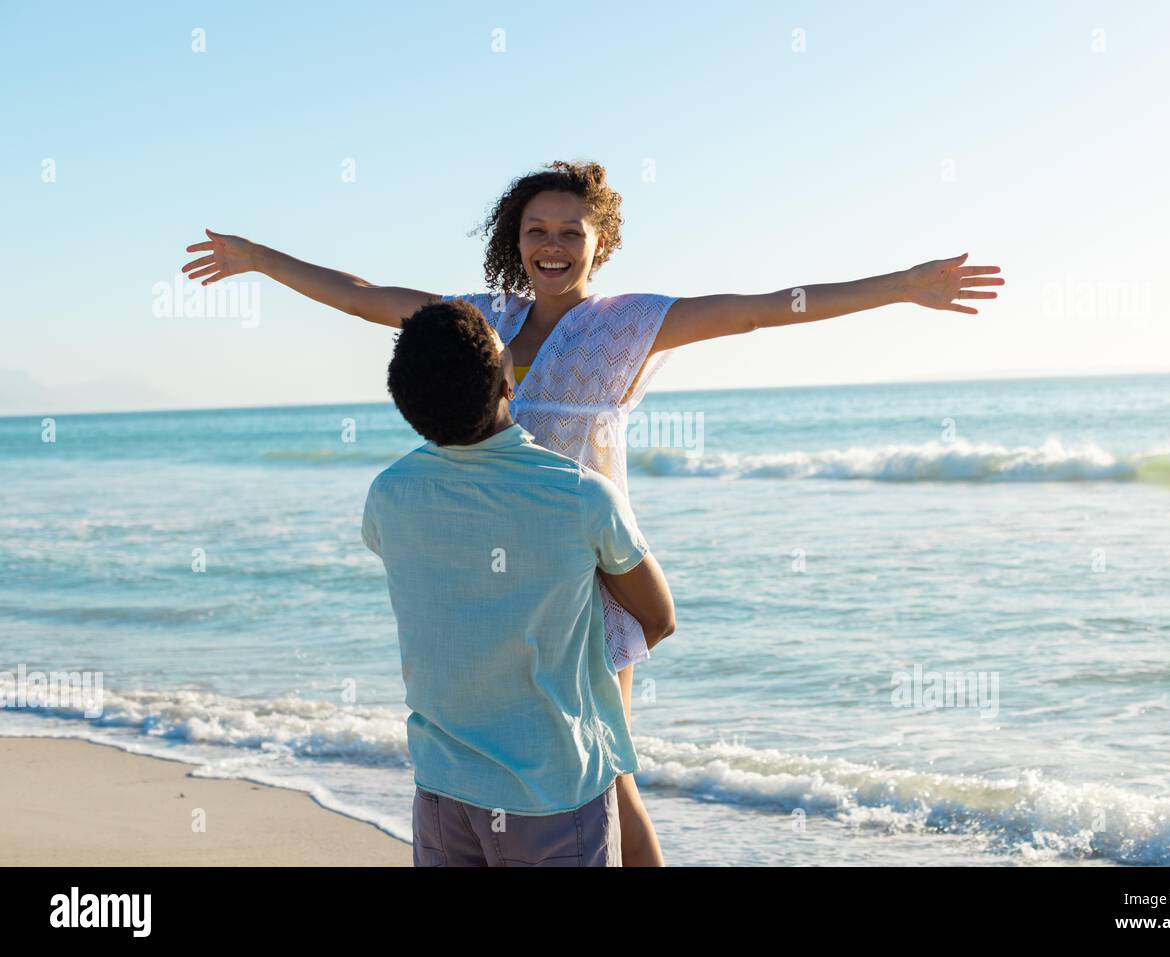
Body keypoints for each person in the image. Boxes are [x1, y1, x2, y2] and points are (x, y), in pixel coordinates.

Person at [182, 159, 1004, 865]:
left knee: (609, 763)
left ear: (598, 242)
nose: (553, 244)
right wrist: (257, 258)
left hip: (585, 570)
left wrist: (900, 288)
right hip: (490, 574)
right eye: (537, 229)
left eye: (572, 231)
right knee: (579, 768)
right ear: (515, 240)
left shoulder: (626, 324)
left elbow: (761, 306)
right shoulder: (482, 321)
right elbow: (363, 298)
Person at [362, 298, 675, 866]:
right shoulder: (581, 494)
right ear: (509, 382)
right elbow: (657, 618)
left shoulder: (389, 493)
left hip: (441, 785)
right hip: (554, 791)